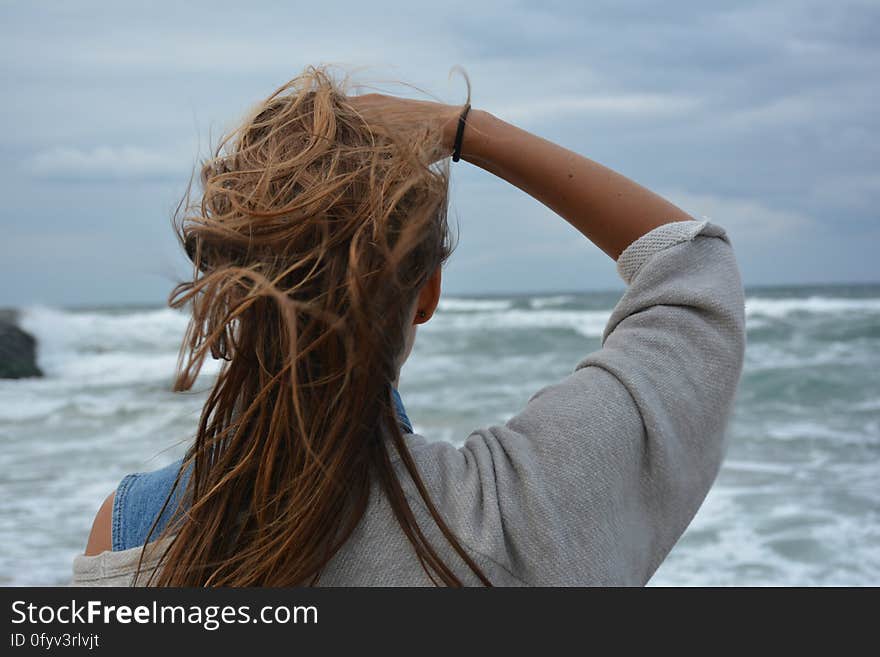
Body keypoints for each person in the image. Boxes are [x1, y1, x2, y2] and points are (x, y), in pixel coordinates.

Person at [72, 66, 745, 586]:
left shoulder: (133, 536)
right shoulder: (513, 514)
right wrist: (463, 131)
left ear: (231, 291)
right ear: (427, 292)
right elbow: (693, 269)